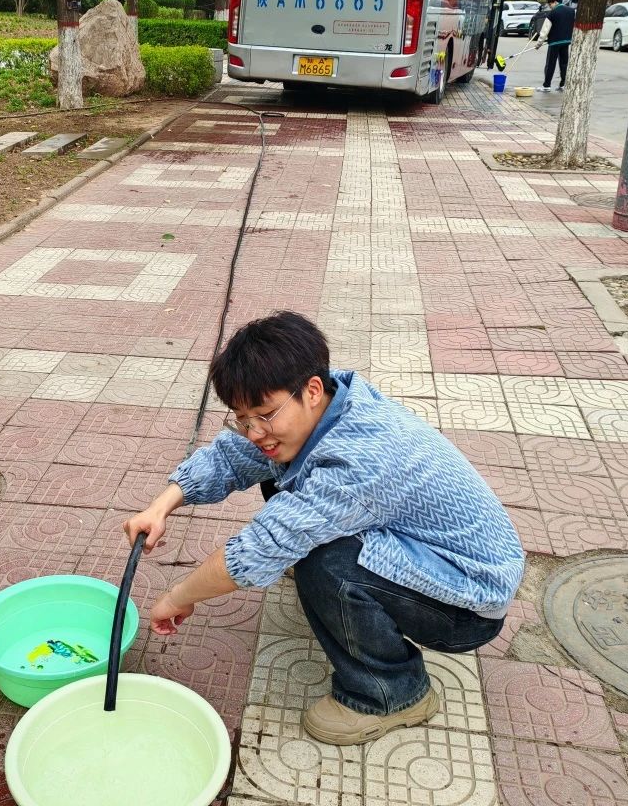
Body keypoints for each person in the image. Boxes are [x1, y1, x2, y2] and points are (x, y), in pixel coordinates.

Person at [124, 312, 524, 746]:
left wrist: (177, 597)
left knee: (326, 564)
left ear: (312, 390)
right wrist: (161, 506)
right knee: (280, 472)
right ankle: (360, 613)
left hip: (468, 605)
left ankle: (392, 692)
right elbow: (232, 456)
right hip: (435, 552)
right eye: (242, 417)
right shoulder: (328, 402)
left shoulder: (359, 460)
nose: (253, 431)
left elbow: (258, 550)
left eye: (264, 415)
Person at [537, 0, 576, 91]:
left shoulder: (553, 13)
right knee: (564, 63)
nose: (550, 7)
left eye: (550, 4)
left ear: (555, 2)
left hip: (554, 42)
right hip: (566, 41)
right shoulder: (571, 11)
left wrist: (539, 43)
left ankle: (546, 85)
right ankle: (563, 84)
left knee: (550, 64)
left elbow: (545, 29)